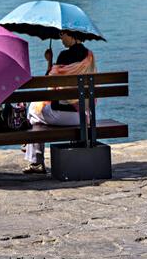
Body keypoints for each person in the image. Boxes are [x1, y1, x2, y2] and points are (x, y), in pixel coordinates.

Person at [22, 30, 96, 174]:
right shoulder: (90, 56)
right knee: (36, 111)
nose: (60, 37)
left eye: (63, 34)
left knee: (33, 110)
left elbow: (49, 84)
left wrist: (49, 63)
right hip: (84, 115)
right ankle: (31, 151)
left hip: (62, 115)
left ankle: (35, 160)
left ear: (73, 35)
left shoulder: (64, 55)